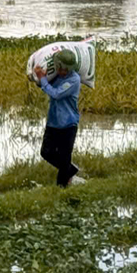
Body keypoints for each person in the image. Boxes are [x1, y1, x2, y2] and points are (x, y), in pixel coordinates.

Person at [34, 50, 82, 187]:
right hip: (53, 122)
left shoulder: (74, 80)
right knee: (46, 153)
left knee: (64, 157)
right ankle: (70, 170)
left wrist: (42, 79)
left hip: (68, 124)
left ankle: (61, 190)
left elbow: (56, 94)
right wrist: (42, 77)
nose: (62, 71)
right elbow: (45, 86)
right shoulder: (56, 76)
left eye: (65, 69)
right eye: (60, 68)